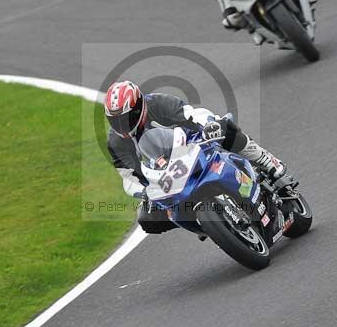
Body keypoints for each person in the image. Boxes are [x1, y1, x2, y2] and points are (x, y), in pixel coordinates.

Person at [104, 80, 287, 234]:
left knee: (225, 127)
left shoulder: (158, 103)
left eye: (127, 117)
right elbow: (128, 175)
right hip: (165, 172)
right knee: (147, 218)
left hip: (192, 142)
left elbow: (192, 114)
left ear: (139, 107)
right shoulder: (116, 142)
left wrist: (209, 125)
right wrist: (144, 191)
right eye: (116, 121)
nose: (122, 125)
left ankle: (266, 160)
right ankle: (211, 227)